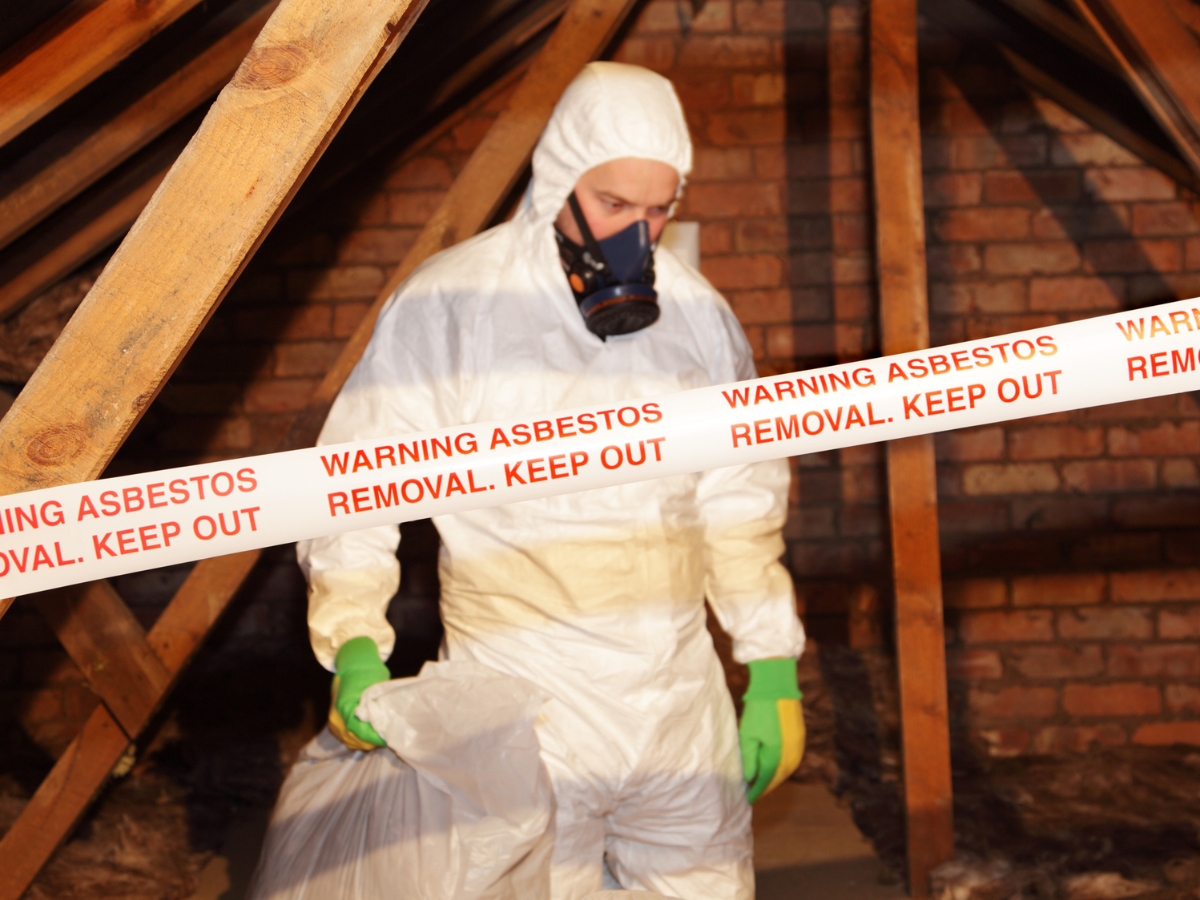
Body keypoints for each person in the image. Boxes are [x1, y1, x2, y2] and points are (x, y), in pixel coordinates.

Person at [297, 61, 807, 900]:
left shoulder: (697, 315)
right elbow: (358, 480)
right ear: (559, 181)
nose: (635, 239)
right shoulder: (452, 305)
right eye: (613, 206)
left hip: (675, 694)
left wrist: (772, 663)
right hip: (522, 701)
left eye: (659, 211)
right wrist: (355, 640)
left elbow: (738, 500)